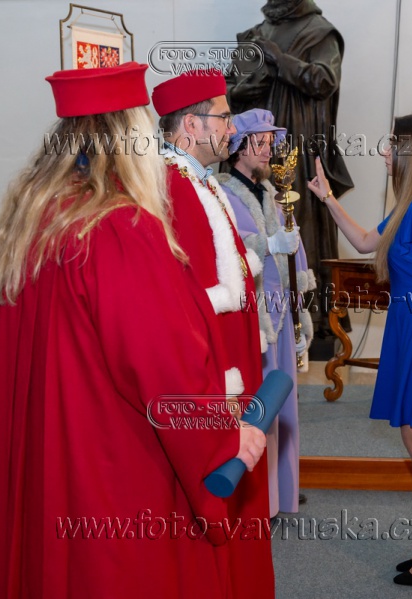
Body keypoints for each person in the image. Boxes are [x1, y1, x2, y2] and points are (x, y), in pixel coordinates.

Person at [0, 63, 268, 599]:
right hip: (115, 474)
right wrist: (226, 443)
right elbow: (166, 371)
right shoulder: (119, 229)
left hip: (49, 469)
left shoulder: (25, 226)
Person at [307, 114, 412, 587]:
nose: (383, 151)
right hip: (409, 327)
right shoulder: (411, 204)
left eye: (392, 144)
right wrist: (327, 198)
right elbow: (362, 241)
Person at [152, 70, 276, 597]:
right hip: (214, 382)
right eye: (224, 117)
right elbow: (183, 309)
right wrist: (217, 392)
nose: (232, 128)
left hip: (236, 371)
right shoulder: (173, 187)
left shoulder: (203, 181)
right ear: (189, 125)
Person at [228, 0, 354, 333]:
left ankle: (309, 317)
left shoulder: (319, 32)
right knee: (246, 221)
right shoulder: (254, 34)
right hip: (247, 152)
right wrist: (241, 91)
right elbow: (226, 89)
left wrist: (279, 58)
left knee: (298, 221)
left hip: (295, 143)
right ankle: (252, 312)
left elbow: (324, 81)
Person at [217, 108, 315, 515]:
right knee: (258, 403)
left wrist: (302, 316)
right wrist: (267, 245)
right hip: (253, 318)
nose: (267, 149)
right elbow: (227, 248)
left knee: (284, 403)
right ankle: (259, 498)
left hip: (281, 314)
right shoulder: (223, 193)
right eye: (260, 141)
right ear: (239, 147)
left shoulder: (273, 193)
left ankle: (282, 490)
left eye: (270, 141)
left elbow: (294, 254)